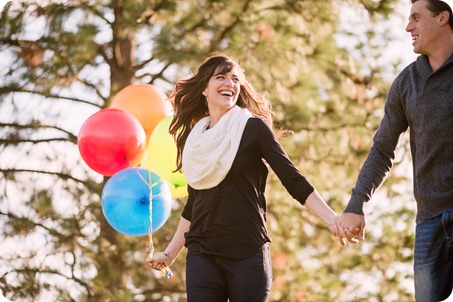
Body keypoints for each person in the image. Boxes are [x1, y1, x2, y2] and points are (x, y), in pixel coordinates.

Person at [146, 53, 349, 302]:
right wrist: (169, 255)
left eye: (234, 79)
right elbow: (194, 203)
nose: (229, 84)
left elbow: (292, 179)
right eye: (220, 77)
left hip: (247, 250)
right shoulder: (194, 139)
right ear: (204, 89)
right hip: (202, 251)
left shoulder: (253, 128)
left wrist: (332, 220)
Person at [337, 0, 453, 301]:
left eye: (416, 18)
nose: (407, 27)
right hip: (429, 217)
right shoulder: (407, 83)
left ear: (443, 17)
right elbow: (382, 149)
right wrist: (356, 203)